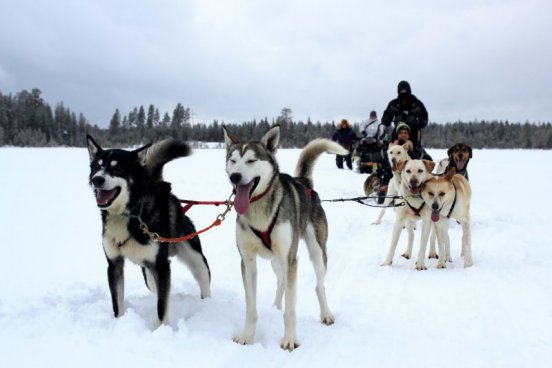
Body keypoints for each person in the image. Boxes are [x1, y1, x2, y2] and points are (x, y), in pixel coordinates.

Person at [381, 80, 428, 148]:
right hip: (397, 132)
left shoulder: (416, 103)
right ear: (398, 91)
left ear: (408, 90)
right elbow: (386, 120)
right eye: (401, 90)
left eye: (405, 90)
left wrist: (419, 123)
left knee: (414, 151)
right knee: (393, 151)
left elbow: (424, 117)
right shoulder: (394, 104)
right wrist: (386, 118)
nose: (403, 92)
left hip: (413, 133)